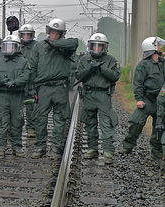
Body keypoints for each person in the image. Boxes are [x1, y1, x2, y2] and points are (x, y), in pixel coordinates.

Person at [29, 18, 78, 159]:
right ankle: (40, 147)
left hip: (60, 87)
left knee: (60, 119)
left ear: (62, 34)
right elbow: (32, 66)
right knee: (40, 119)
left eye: (57, 33)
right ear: (48, 31)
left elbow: (74, 42)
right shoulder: (39, 46)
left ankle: (55, 147)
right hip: (43, 88)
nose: (54, 35)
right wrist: (32, 87)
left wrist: (55, 44)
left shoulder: (66, 46)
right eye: (52, 32)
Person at [75, 33, 121, 164]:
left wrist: (101, 69)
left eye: (99, 46)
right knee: (90, 123)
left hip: (103, 95)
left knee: (106, 124)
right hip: (89, 94)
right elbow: (78, 75)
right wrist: (89, 69)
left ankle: (108, 152)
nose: (96, 49)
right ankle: (92, 149)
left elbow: (115, 76)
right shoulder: (84, 59)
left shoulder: (111, 60)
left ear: (104, 47)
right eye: (94, 46)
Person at [120, 37, 165, 165]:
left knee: (159, 127)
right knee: (136, 123)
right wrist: (139, 99)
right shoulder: (143, 64)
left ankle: (156, 154)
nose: (161, 47)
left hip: (160, 102)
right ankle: (127, 146)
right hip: (147, 100)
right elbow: (138, 83)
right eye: (158, 46)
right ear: (152, 48)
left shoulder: (162, 63)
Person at [0, 35, 30, 157]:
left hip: (16, 96)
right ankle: (1, 147)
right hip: (2, 96)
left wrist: (15, 82)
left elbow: (26, 75)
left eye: (11, 46)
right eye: (6, 46)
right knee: (1, 123)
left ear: (17, 47)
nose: (8, 49)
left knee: (17, 122)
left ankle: (17, 147)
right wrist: (0, 82)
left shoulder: (23, 62)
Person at [18, 24, 38, 138]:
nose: (25, 37)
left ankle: (31, 127)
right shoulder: (17, 45)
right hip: (19, 80)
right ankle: (15, 128)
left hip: (31, 81)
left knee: (31, 105)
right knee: (16, 106)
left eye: (28, 35)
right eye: (23, 35)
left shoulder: (37, 46)